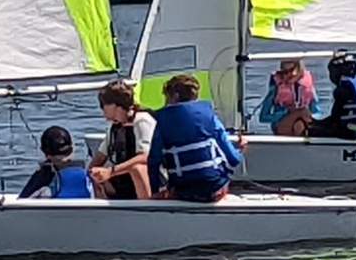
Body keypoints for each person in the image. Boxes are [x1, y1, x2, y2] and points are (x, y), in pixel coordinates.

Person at [148, 74, 244, 202]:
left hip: (182, 192)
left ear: (174, 96)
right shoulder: (209, 116)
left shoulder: (162, 120)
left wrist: (154, 192)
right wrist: (241, 149)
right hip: (214, 190)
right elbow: (234, 159)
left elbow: (153, 161)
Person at [88, 79, 156, 199]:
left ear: (114, 105)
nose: (102, 110)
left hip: (149, 180)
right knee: (95, 172)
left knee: (138, 169)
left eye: (103, 105)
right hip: (122, 182)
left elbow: (145, 157)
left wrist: (111, 171)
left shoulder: (142, 120)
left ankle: (147, 208)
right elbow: (100, 156)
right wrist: (91, 172)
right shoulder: (115, 128)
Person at [306, 54, 356, 140]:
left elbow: (335, 119)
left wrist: (315, 124)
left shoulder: (342, 90)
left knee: (308, 131)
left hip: (347, 133)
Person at [18, 126, 94, 198]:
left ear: (46, 153)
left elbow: (23, 200)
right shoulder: (89, 173)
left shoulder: (41, 179)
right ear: (72, 148)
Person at [257, 59, 319, 136]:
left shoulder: (307, 86)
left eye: (291, 70)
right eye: (285, 72)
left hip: (302, 122)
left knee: (301, 122)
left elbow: (317, 112)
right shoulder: (276, 86)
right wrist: (285, 113)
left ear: (299, 69)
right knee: (303, 112)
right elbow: (263, 118)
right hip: (281, 124)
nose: (288, 74)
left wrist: (311, 116)